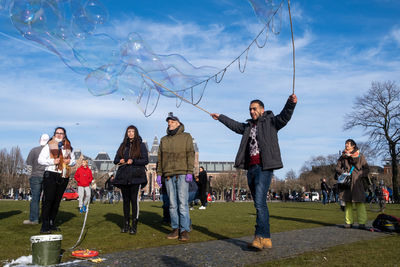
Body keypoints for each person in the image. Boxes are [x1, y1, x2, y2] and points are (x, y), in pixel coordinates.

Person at [210, 94, 297, 250]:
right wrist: (221, 117)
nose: (251, 111)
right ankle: (267, 238)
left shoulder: (271, 122)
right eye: (250, 109)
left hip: (265, 168)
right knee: (260, 203)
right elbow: (235, 125)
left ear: (262, 110)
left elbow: (285, 116)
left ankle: (259, 237)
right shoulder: (248, 126)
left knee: (258, 202)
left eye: (254, 108)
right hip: (251, 168)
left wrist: (290, 103)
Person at [157, 112, 195, 242]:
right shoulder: (164, 139)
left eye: (172, 122)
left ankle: (184, 230)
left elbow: (191, 154)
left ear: (178, 123)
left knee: (182, 203)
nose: (170, 124)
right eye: (168, 122)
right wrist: (159, 174)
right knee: (172, 205)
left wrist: (190, 171)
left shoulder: (186, 137)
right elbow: (160, 158)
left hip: (182, 174)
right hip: (168, 175)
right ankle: (175, 228)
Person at [38, 127, 76, 233]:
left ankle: (51, 222)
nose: (59, 135)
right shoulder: (48, 146)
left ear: (64, 135)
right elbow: (40, 160)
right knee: (48, 200)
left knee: (56, 201)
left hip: (63, 175)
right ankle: (45, 225)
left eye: (61, 133)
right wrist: (52, 161)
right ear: (54, 135)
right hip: (51, 174)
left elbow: (73, 161)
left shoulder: (68, 147)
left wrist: (70, 162)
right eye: (57, 133)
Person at [113, 125, 149, 235]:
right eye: (129, 131)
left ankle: (134, 225)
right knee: (125, 202)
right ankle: (126, 224)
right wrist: (121, 159)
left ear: (136, 133)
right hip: (124, 176)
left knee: (134, 201)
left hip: (136, 177)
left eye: (132, 131)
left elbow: (145, 160)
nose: (130, 133)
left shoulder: (141, 145)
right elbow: (115, 160)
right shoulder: (123, 145)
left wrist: (133, 161)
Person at [335, 139, 369, 229]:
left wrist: (360, 174)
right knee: (348, 203)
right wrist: (343, 172)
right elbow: (337, 168)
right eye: (345, 144)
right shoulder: (342, 157)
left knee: (359, 203)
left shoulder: (360, 156)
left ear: (353, 146)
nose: (346, 145)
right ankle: (348, 222)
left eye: (348, 144)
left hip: (357, 183)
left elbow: (366, 169)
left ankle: (362, 223)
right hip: (346, 183)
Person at [23, 133, 50, 225]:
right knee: (47, 199)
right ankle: (47, 219)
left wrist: (29, 176)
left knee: (35, 198)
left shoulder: (34, 150)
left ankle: (34, 219)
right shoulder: (50, 151)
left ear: (40, 140)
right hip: (47, 176)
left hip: (35, 176)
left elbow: (29, 165)